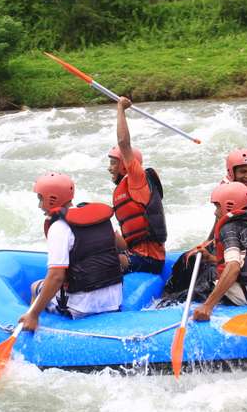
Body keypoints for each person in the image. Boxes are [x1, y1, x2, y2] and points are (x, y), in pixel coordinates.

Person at [18, 172, 123, 331]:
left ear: (52, 198)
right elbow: (121, 244)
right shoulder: (100, 218)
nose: (40, 205)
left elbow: (56, 277)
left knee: (35, 287)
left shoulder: (59, 227)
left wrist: (33, 313)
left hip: (82, 307)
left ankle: (33, 324)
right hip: (114, 300)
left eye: (41, 199)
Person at [192, 182, 247, 320]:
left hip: (246, 295)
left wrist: (207, 306)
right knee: (211, 267)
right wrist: (211, 258)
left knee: (203, 277)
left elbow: (234, 267)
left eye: (217, 206)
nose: (215, 212)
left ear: (228, 205)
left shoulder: (230, 228)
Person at [108, 96, 167, 274]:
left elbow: (123, 143)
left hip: (149, 259)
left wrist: (120, 108)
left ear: (126, 165)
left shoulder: (137, 179)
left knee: (101, 263)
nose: (109, 168)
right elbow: (128, 242)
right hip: (134, 253)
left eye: (113, 163)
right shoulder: (123, 190)